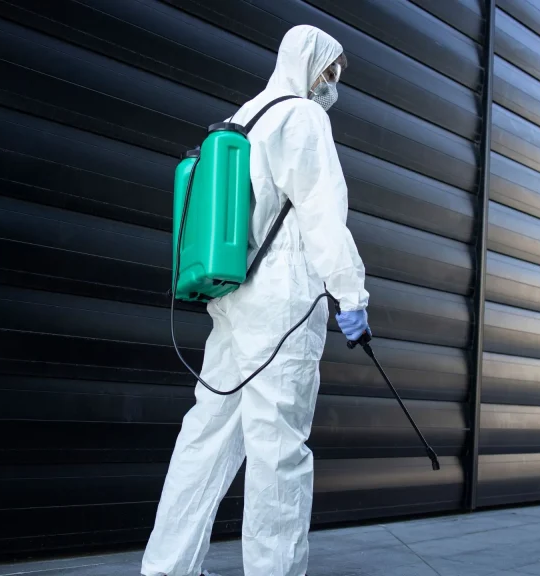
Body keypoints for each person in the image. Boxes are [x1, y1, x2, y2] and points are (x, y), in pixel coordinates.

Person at [141, 24, 370, 576]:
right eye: (328, 71)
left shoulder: (245, 116)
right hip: (283, 309)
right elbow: (321, 212)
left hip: (233, 306)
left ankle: (166, 568)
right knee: (279, 454)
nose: (332, 84)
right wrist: (351, 292)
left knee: (205, 440)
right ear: (307, 63)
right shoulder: (303, 117)